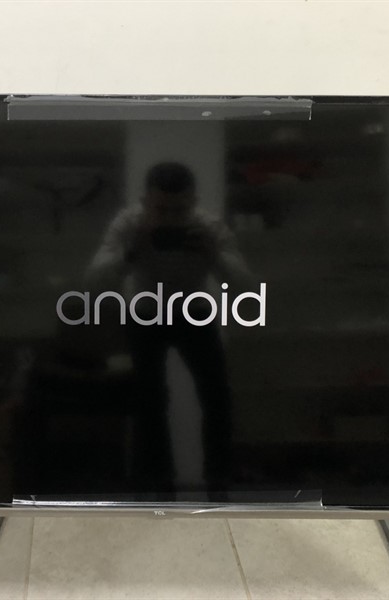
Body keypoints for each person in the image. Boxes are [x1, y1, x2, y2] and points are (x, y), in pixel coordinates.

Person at [87, 162, 251, 495]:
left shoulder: (207, 226)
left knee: (217, 397)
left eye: (181, 211)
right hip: (146, 311)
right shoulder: (129, 224)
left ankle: (219, 481)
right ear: (145, 202)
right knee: (148, 400)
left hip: (194, 310)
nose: (172, 220)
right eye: (162, 210)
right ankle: (156, 484)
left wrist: (214, 255)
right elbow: (93, 281)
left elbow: (245, 285)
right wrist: (131, 253)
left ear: (193, 202)